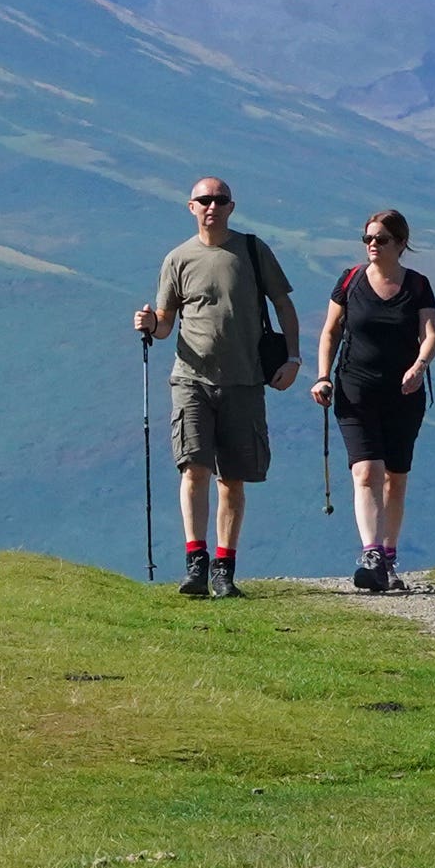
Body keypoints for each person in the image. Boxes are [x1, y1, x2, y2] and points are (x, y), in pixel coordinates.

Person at [130, 177, 295, 599]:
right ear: (191, 206)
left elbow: (283, 303)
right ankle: (196, 564)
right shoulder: (178, 259)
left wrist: (293, 358)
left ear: (231, 206)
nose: (212, 206)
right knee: (194, 468)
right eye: (205, 200)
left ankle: (224, 568)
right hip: (191, 379)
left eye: (220, 200)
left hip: (244, 380)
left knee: (233, 480)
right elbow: (166, 323)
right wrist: (150, 325)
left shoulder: (253, 251)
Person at [312, 208, 435, 592]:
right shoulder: (350, 280)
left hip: (404, 394)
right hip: (355, 390)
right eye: (367, 239)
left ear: (400, 244)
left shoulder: (417, 286)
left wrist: (419, 366)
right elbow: (330, 332)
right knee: (365, 471)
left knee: (395, 478)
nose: (372, 245)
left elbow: (431, 334)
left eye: (381, 240)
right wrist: (322, 376)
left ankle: (388, 556)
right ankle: (371, 555)